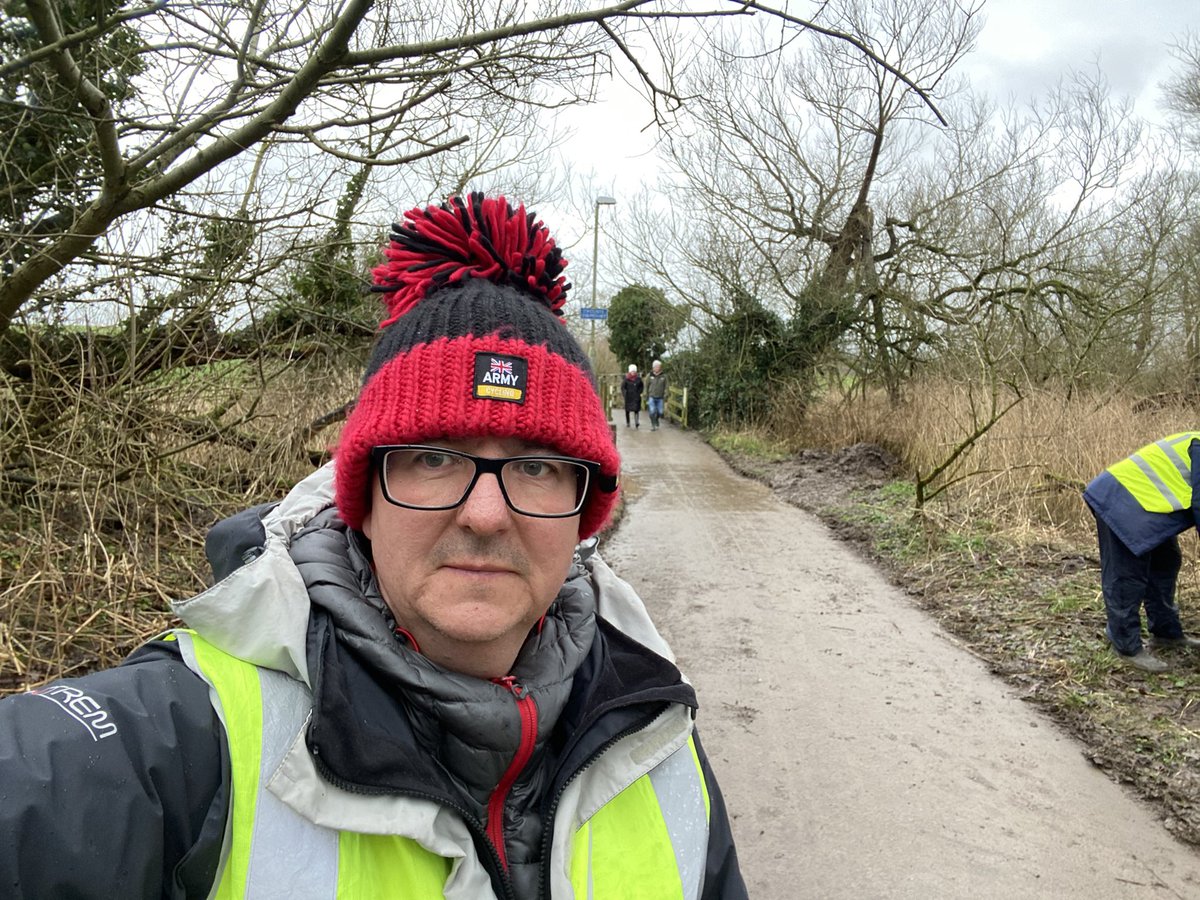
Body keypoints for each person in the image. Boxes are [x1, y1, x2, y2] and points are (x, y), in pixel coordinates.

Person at [0, 194, 746, 899]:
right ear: (360, 498)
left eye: (540, 466)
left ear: (585, 511)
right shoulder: (185, 741)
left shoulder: (653, 734)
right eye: (432, 458)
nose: (486, 515)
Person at [1083, 431, 1200, 673]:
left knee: (1166, 563)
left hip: (1148, 507)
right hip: (1121, 501)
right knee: (1127, 575)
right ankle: (1125, 645)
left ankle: (1166, 633)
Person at [646, 359, 668, 431]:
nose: (658, 368)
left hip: (660, 397)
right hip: (651, 396)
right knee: (652, 411)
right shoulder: (649, 376)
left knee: (660, 412)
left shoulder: (664, 376)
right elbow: (646, 386)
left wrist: (666, 394)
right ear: (653, 367)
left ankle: (656, 419)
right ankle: (653, 425)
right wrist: (645, 397)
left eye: (659, 366)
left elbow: (667, 386)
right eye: (656, 367)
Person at [621, 363, 644, 429]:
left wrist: (640, 392)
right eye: (632, 371)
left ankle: (636, 422)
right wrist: (624, 394)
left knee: (636, 409)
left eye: (634, 371)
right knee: (627, 410)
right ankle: (628, 422)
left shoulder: (638, 379)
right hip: (628, 397)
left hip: (636, 396)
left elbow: (641, 386)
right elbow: (623, 387)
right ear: (630, 371)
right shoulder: (626, 379)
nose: (633, 372)